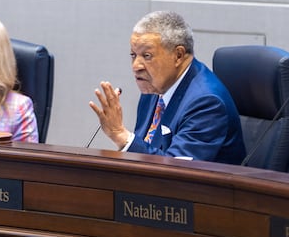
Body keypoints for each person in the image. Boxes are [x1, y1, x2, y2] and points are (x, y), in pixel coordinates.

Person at [89, 10, 246, 164]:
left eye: (147, 56)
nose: (136, 66)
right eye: (133, 55)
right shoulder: (153, 89)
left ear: (178, 55)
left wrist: (121, 135)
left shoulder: (207, 103)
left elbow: (178, 173)